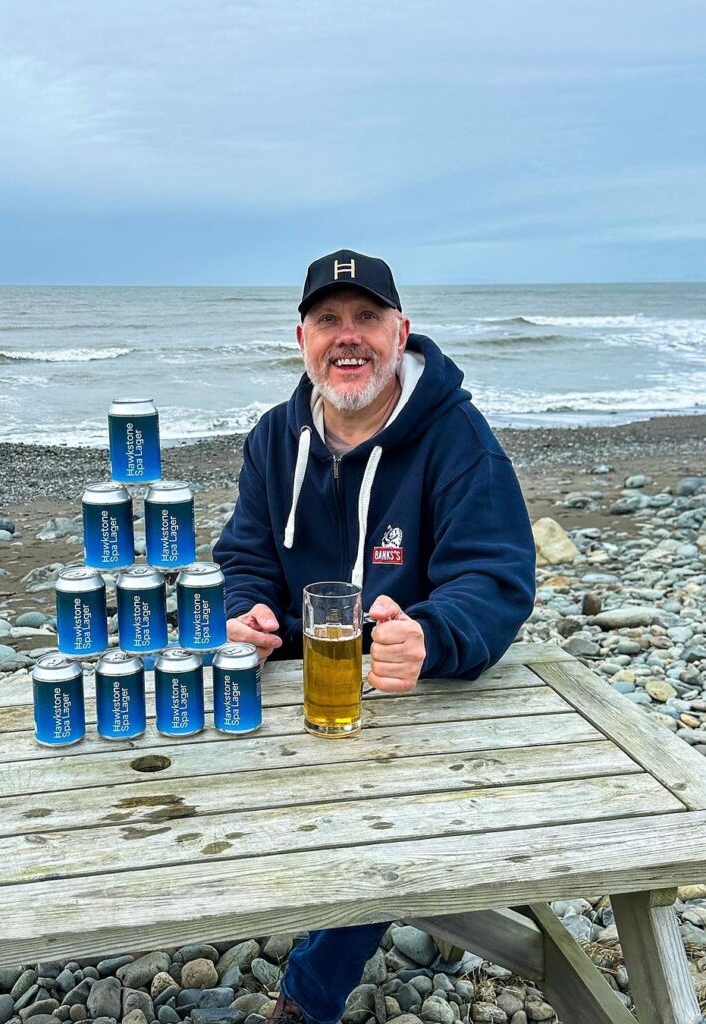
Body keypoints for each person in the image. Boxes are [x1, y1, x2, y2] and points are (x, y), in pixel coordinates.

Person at [212, 249, 536, 1024]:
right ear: (301, 338)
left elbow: (496, 578)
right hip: (295, 676)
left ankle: (306, 997)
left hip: (410, 687)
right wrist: (245, 612)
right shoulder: (271, 438)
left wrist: (432, 632)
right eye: (328, 320)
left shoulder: (457, 438)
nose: (346, 336)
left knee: (378, 826)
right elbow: (243, 556)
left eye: (366, 318)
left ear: (402, 332)